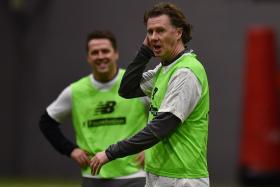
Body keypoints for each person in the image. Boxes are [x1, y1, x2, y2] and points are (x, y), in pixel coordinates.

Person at [90, 2, 210, 187]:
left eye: (160, 30)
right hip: (158, 174)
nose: (153, 37)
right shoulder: (163, 69)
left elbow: (159, 128)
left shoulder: (186, 72)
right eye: (150, 32)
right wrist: (145, 51)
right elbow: (127, 89)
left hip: (182, 178)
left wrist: (110, 153)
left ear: (178, 33)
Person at [39, 30, 149, 187]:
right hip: (93, 177)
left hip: (134, 176)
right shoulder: (75, 91)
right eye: (95, 52)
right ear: (88, 57)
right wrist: (71, 150)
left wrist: (153, 148)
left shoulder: (136, 84)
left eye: (105, 51)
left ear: (116, 53)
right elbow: (46, 122)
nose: (100, 56)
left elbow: (167, 117)